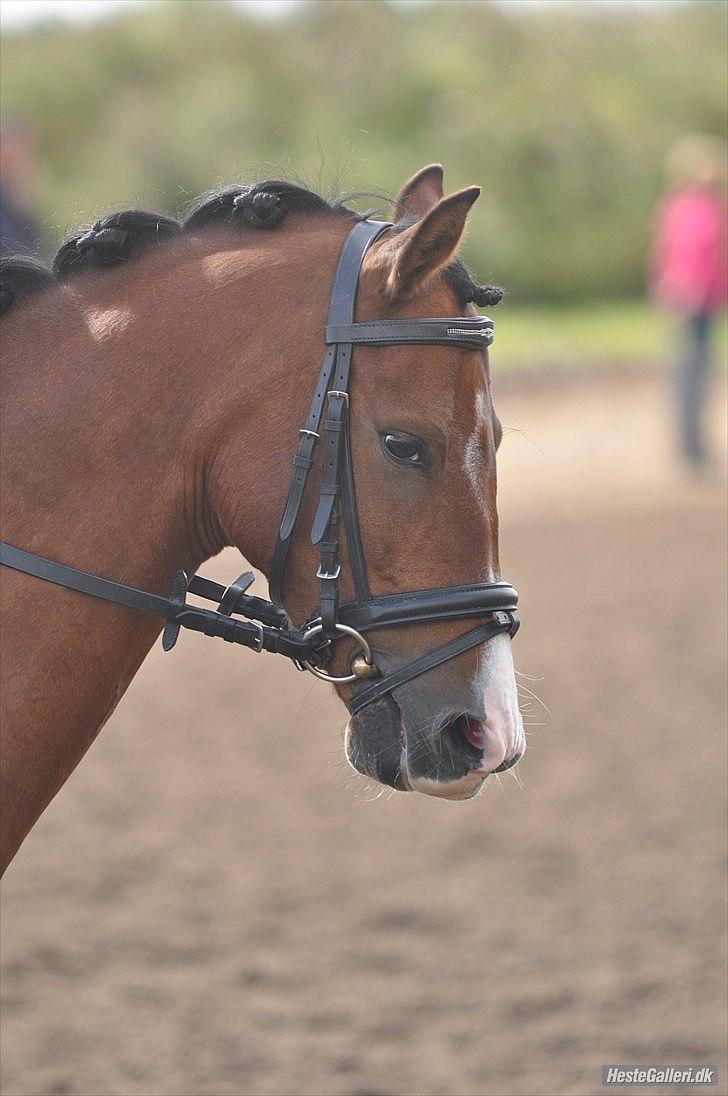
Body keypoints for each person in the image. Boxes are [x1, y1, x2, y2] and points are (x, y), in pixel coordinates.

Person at [648, 134, 727, 470]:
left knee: (690, 370)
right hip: (696, 299)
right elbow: (694, 255)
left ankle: (691, 445)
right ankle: (691, 448)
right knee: (693, 371)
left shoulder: (676, 205)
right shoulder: (700, 208)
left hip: (692, 298)